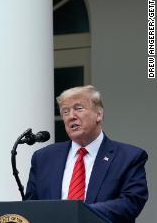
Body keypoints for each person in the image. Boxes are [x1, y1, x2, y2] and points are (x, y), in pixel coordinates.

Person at [25, 85, 148, 223]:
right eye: (65, 112)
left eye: (78, 109)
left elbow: (131, 202)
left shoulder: (128, 157)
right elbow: (31, 207)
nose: (71, 116)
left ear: (99, 114)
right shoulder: (43, 158)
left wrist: (79, 213)